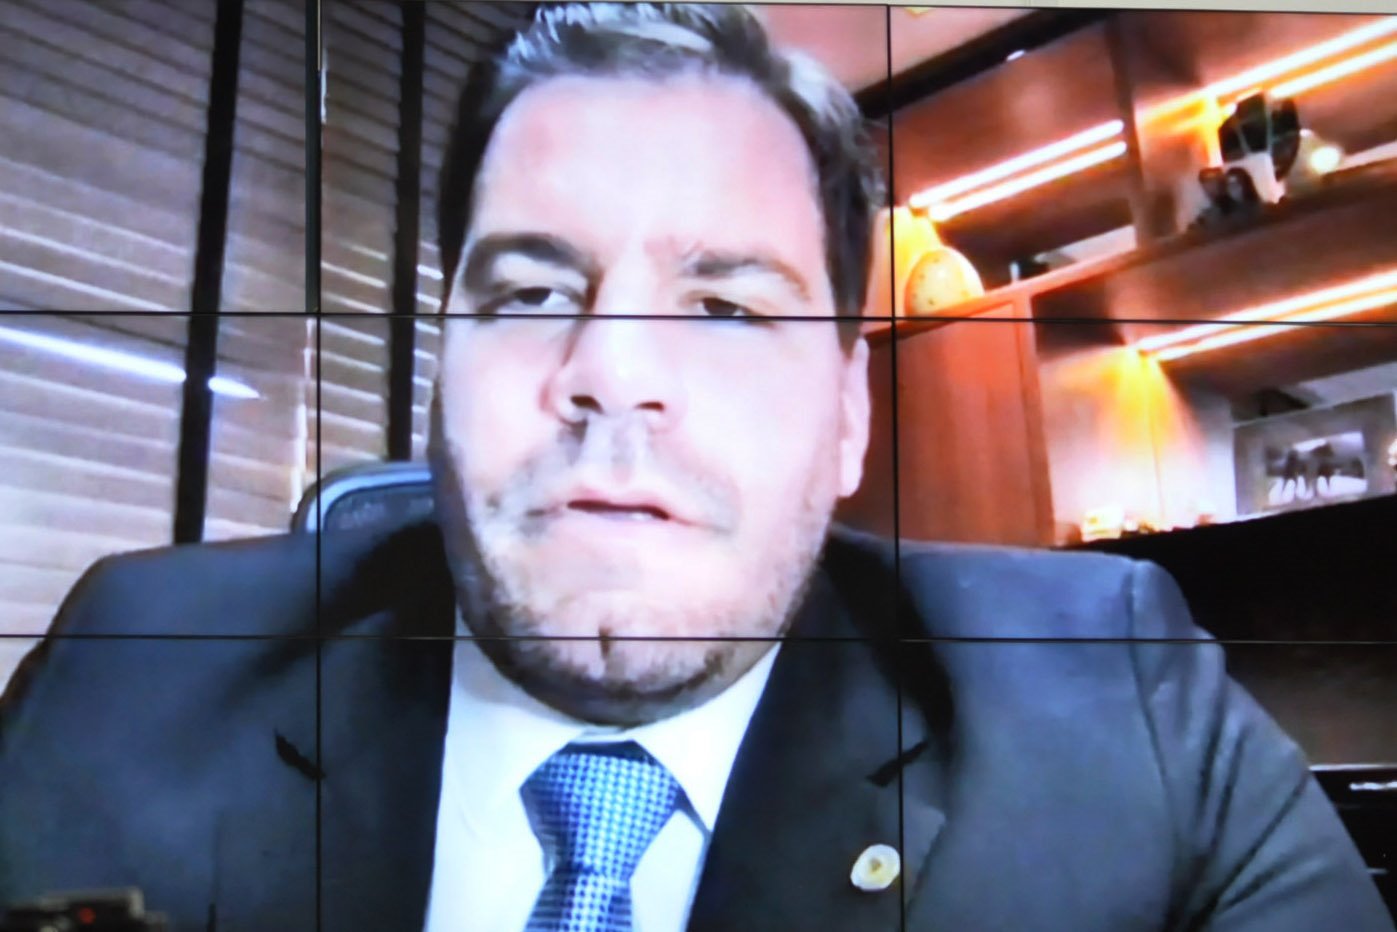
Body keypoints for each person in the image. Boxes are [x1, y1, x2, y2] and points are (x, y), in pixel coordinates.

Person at [0, 4, 1391, 931]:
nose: (611, 369)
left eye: (724, 307)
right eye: (532, 292)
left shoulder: (1116, 702)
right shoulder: (135, 665)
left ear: (846, 416)